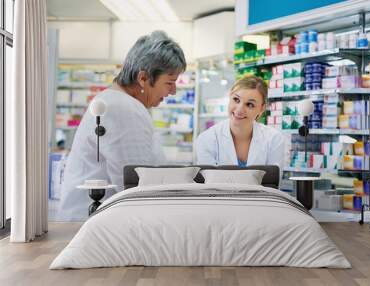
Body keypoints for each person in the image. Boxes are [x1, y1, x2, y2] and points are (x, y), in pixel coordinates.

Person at [58, 31, 186, 221]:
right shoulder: (122, 108)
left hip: (97, 223)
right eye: (169, 82)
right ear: (143, 78)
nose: (173, 91)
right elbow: (136, 185)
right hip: (95, 228)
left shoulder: (118, 102)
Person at [195, 75, 285, 172]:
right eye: (236, 100)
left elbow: (272, 183)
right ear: (230, 97)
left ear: (261, 109)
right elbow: (208, 184)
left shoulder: (274, 139)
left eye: (250, 105)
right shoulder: (207, 139)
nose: (239, 110)